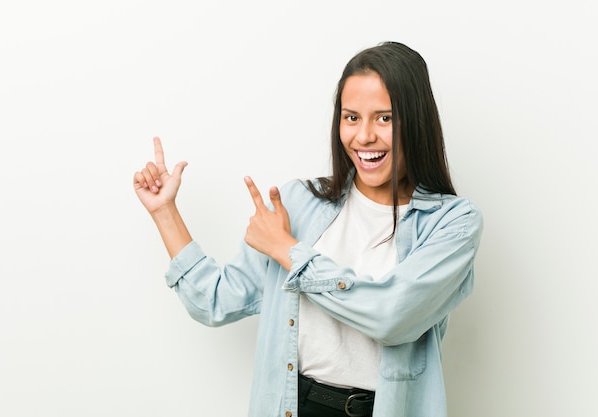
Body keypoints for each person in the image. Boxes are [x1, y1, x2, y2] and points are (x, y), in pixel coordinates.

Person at [133, 41, 483, 417]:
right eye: (351, 117)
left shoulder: (453, 223)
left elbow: (391, 316)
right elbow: (216, 301)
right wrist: (164, 212)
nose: (364, 136)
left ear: (416, 122)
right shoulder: (298, 202)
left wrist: (288, 250)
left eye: (385, 118)